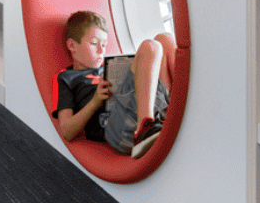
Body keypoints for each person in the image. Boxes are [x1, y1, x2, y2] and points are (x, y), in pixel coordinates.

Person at [52, 10, 174, 158]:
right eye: (94, 43)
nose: (100, 50)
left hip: (137, 106)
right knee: (150, 46)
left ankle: (174, 106)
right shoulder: (65, 78)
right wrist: (95, 101)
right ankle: (144, 130)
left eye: (103, 45)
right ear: (72, 45)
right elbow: (67, 132)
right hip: (114, 127)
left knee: (164, 39)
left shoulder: (110, 66)